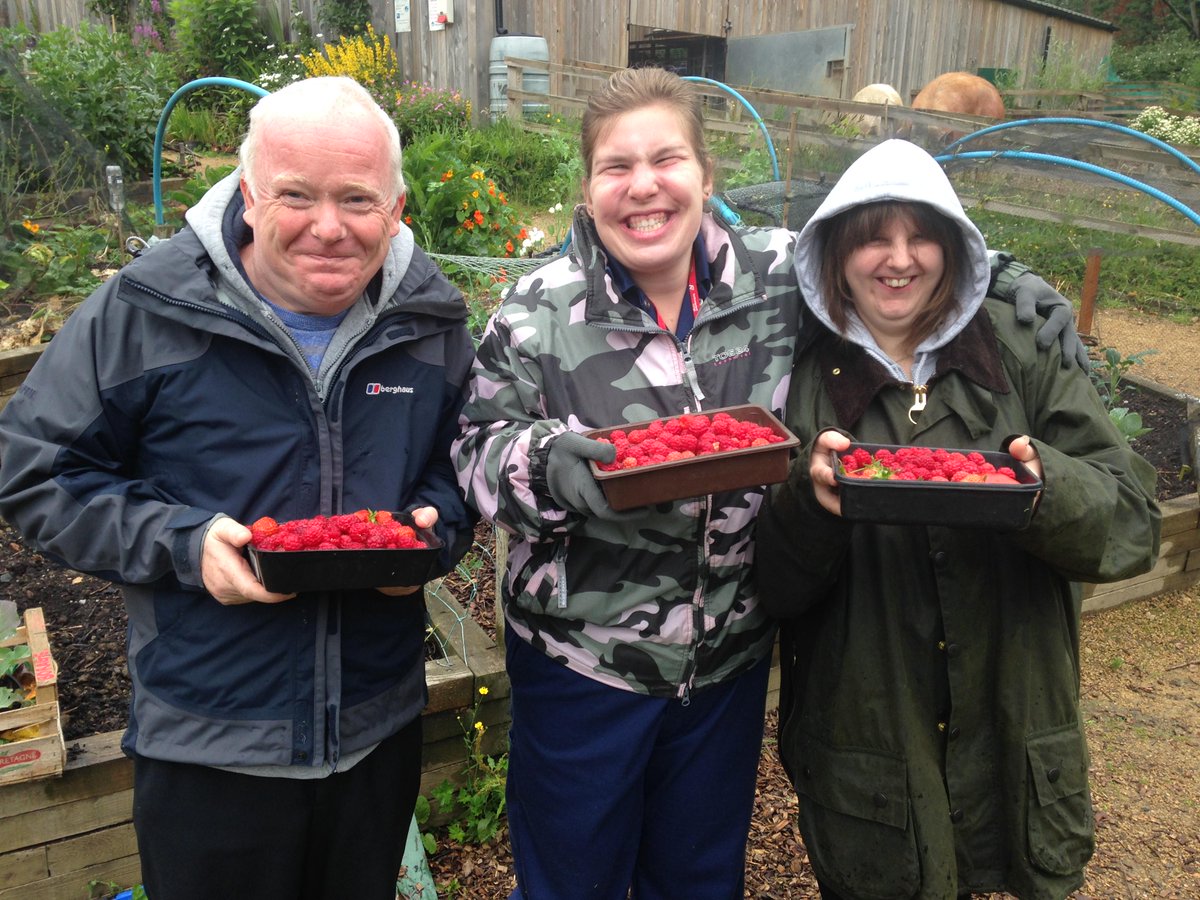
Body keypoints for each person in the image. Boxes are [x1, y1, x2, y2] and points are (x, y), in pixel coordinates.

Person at [451, 67, 1083, 899]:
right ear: (589, 185)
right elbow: (475, 452)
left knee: (700, 877)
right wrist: (545, 463)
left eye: (667, 159)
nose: (644, 186)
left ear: (705, 175)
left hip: (728, 664)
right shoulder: (535, 310)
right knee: (573, 879)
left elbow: (884, 261)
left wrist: (999, 277)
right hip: (583, 665)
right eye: (616, 166)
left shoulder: (783, 279)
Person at [0, 77, 476, 900]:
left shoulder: (430, 324)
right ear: (249, 193)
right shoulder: (146, 311)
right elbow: (35, 471)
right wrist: (181, 543)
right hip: (208, 742)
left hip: (376, 731)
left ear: (397, 208)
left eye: (358, 199)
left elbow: (462, 462)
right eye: (296, 194)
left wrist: (437, 533)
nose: (328, 226)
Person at [755, 139, 1161, 900]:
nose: (899, 259)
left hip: (1016, 726)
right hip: (872, 748)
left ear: (956, 247)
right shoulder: (799, 382)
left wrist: (1047, 488)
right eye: (874, 235)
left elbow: (1134, 525)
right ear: (838, 252)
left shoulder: (1026, 352)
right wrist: (813, 506)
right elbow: (773, 587)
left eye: (923, 235)